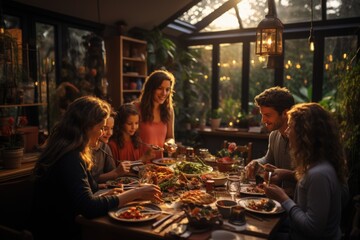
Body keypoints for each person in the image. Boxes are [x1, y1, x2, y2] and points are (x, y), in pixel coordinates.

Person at [31, 96, 162, 240]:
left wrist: (109, 195)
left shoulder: (70, 149)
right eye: (101, 128)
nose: (101, 134)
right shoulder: (70, 156)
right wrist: (136, 193)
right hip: (59, 232)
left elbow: (85, 191)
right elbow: (89, 207)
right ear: (86, 127)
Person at [263, 103, 348, 240]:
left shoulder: (319, 174)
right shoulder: (318, 164)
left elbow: (312, 229)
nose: (286, 131)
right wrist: (288, 175)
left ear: (304, 133)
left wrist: (283, 198)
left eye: (291, 126)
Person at [246, 86, 295, 179]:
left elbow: (311, 177)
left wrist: (286, 174)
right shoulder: (274, 135)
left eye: (267, 115)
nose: (263, 120)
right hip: (280, 191)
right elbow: (268, 159)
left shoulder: (302, 138)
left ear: (285, 113)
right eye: (262, 115)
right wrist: (256, 163)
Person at [133, 70, 177, 159]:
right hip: (138, 162)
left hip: (159, 165)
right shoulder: (135, 108)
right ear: (151, 89)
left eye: (167, 89)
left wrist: (169, 144)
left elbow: (170, 137)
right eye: (160, 88)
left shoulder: (169, 110)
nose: (164, 93)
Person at [90, 113, 131, 188]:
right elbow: (89, 180)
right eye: (105, 129)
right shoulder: (84, 150)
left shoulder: (105, 147)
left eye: (112, 128)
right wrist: (116, 172)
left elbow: (112, 175)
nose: (110, 133)